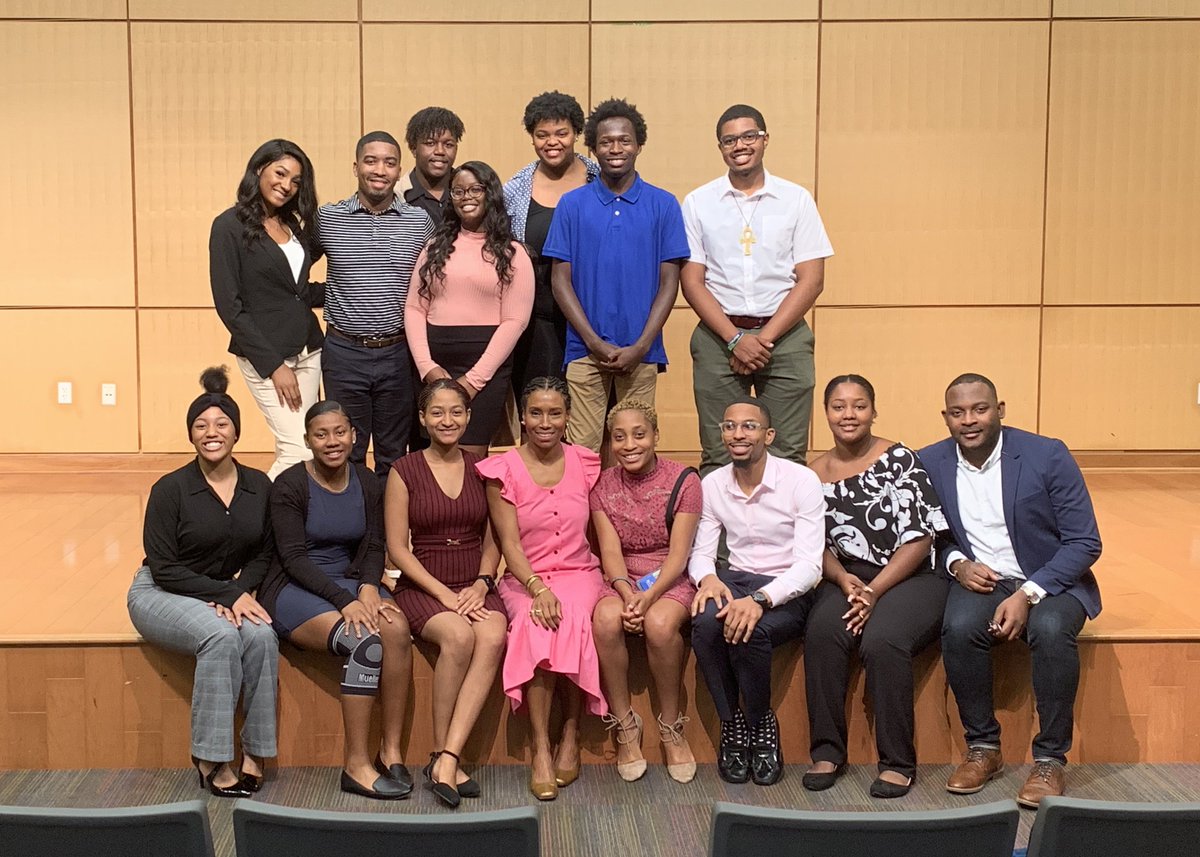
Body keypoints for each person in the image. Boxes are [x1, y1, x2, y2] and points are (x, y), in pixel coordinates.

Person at [919, 373, 1102, 808]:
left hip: (1051, 578)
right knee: (959, 628)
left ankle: (1050, 759)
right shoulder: (929, 461)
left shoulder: (1047, 454)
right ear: (945, 417)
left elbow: (1085, 541)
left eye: (979, 409)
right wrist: (957, 563)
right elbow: (929, 535)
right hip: (983, 579)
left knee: (1051, 630)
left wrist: (1029, 593)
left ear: (999, 410)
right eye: (958, 412)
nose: (969, 420)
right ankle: (983, 747)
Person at [127, 367, 276, 798]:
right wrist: (226, 594)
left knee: (262, 636)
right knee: (220, 636)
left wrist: (239, 592)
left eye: (222, 424)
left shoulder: (258, 485)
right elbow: (163, 566)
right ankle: (210, 757)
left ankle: (257, 751)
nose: (212, 433)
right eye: (201, 426)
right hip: (160, 591)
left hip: (222, 591)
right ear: (191, 435)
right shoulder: (170, 489)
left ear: (236, 432)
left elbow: (265, 551)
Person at [802, 375, 950, 799]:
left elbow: (920, 538)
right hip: (847, 575)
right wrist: (840, 577)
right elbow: (811, 543)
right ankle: (827, 752)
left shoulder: (899, 459)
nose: (849, 414)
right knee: (823, 632)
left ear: (873, 411)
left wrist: (874, 591)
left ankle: (897, 762)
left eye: (859, 405)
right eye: (838, 406)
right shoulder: (811, 475)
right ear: (825, 413)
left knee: (883, 640)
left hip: (910, 574)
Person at [258, 401, 414, 800]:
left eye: (340, 432)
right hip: (296, 587)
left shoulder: (367, 480)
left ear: (354, 436)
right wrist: (345, 601)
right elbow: (292, 558)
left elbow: (375, 544)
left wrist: (368, 587)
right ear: (308, 440)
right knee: (364, 641)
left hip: (350, 583)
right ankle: (356, 765)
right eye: (321, 434)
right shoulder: (289, 485)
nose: (332, 441)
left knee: (397, 629)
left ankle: (391, 750)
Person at [681, 104, 833, 476]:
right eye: (729, 140)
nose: (740, 146)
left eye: (749, 136)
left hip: (785, 336)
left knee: (787, 452)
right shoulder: (699, 202)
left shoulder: (796, 199)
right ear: (720, 147)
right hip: (719, 337)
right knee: (719, 452)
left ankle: (783, 519)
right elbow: (692, 281)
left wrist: (761, 340)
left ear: (765, 139)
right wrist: (735, 339)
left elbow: (812, 279)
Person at [476, 377, 606, 801]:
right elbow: (509, 544)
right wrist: (536, 587)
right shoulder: (502, 470)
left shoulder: (585, 462)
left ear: (568, 417)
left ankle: (570, 732)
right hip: (524, 577)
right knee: (537, 624)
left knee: (571, 617)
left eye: (554, 413)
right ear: (523, 419)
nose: (545, 422)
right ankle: (541, 749)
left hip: (579, 572)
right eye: (536, 413)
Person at [688, 397, 825, 786]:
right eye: (729, 426)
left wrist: (762, 600)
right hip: (734, 579)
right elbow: (701, 554)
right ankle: (732, 723)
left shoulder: (800, 481)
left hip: (787, 586)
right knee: (705, 625)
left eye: (749, 426)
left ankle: (760, 720)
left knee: (752, 631)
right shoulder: (713, 484)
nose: (738, 434)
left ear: (769, 435)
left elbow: (810, 566)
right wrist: (707, 579)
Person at [386, 380, 508, 808]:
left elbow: (494, 539)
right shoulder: (404, 470)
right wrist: (443, 594)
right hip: (424, 584)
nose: (447, 420)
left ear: (469, 417)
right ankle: (440, 752)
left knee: (493, 634)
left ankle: (448, 757)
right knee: (457, 635)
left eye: (456, 411)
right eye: (437, 412)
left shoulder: (483, 469)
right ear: (422, 419)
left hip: (474, 583)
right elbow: (398, 548)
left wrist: (482, 582)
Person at [544, 98, 690, 453]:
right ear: (593, 148)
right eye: (606, 142)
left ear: (639, 145)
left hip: (642, 351)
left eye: (624, 140)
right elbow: (560, 281)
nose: (615, 149)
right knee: (582, 452)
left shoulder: (664, 204)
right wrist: (593, 342)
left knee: (634, 447)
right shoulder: (571, 205)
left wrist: (641, 345)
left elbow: (669, 283)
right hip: (584, 350)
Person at [590, 399, 701, 784]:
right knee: (606, 619)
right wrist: (626, 593)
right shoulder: (602, 484)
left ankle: (671, 725)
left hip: (670, 576)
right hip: (622, 578)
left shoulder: (684, 480)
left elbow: (680, 555)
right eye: (619, 437)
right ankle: (624, 723)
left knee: (658, 624)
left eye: (639, 434)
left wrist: (648, 597)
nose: (629, 444)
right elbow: (610, 552)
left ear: (655, 436)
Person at [318, 131, 433, 475]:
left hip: (397, 353)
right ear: (356, 167)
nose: (380, 170)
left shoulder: (419, 221)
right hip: (344, 352)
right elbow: (291, 269)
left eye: (389, 163)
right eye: (371, 161)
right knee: (345, 452)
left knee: (393, 454)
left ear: (399, 170)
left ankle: (387, 514)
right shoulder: (327, 218)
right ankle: (352, 513)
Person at [210, 139, 324, 480]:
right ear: (259, 168)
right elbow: (230, 307)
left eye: (296, 181)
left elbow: (297, 291)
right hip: (266, 356)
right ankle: (256, 511)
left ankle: (294, 513)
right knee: (297, 450)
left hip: (308, 349)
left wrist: (350, 291)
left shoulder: (292, 226)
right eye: (280, 173)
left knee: (308, 444)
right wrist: (274, 366)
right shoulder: (228, 226)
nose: (286, 185)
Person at [406, 161, 534, 457]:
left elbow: (515, 321)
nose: (467, 197)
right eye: (458, 191)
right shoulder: (434, 247)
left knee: (471, 458)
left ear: (491, 193)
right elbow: (414, 308)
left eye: (476, 189)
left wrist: (474, 380)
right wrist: (427, 367)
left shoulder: (513, 253)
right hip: (434, 365)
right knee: (431, 456)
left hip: (485, 368)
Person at [503, 91, 600, 393]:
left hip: (593, 314)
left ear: (577, 134)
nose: (552, 142)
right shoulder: (515, 189)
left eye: (561, 133)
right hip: (536, 321)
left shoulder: (602, 179)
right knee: (540, 404)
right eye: (542, 135)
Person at [401, 106, 465, 224]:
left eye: (448, 145)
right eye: (430, 143)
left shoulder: (471, 194)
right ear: (413, 148)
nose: (440, 151)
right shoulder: (398, 196)